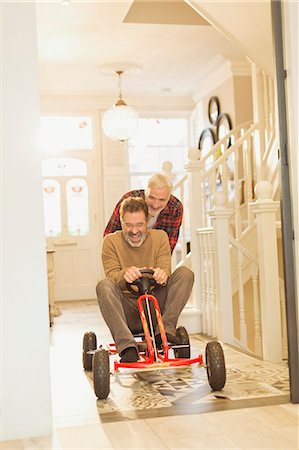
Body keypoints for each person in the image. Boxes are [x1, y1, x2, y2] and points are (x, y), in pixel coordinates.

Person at [96, 196, 194, 363]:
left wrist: (162, 275)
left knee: (185, 273)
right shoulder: (110, 241)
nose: (134, 231)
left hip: (155, 307)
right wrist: (124, 274)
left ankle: (165, 331)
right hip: (128, 310)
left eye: (139, 225)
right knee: (103, 285)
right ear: (121, 222)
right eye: (129, 225)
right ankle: (127, 346)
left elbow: (165, 268)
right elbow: (111, 276)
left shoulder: (160, 237)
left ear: (147, 222)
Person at [103, 173, 183, 253]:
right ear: (145, 193)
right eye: (151, 198)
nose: (155, 205)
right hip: (124, 252)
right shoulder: (128, 201)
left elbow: (168, 247)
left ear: (169, 197)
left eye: (162, 200)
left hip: (153, 256)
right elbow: (109, 236)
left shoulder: (175, 208)